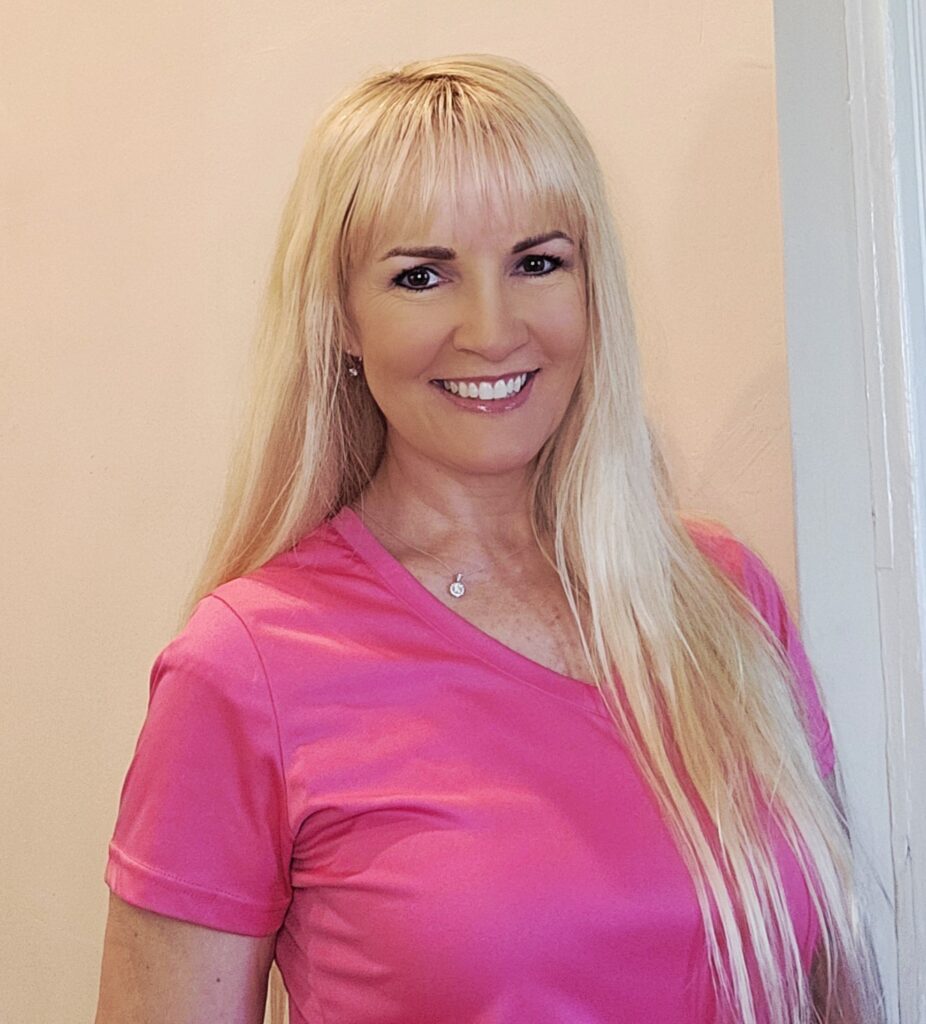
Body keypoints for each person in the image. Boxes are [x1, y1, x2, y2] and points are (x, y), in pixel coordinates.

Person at [94, 55, 881, 1023]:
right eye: (422, 276)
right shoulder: (244, 667)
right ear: (341, 319)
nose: (491, 328)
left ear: (592, 288)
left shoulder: (721, 599)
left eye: (536, 263)